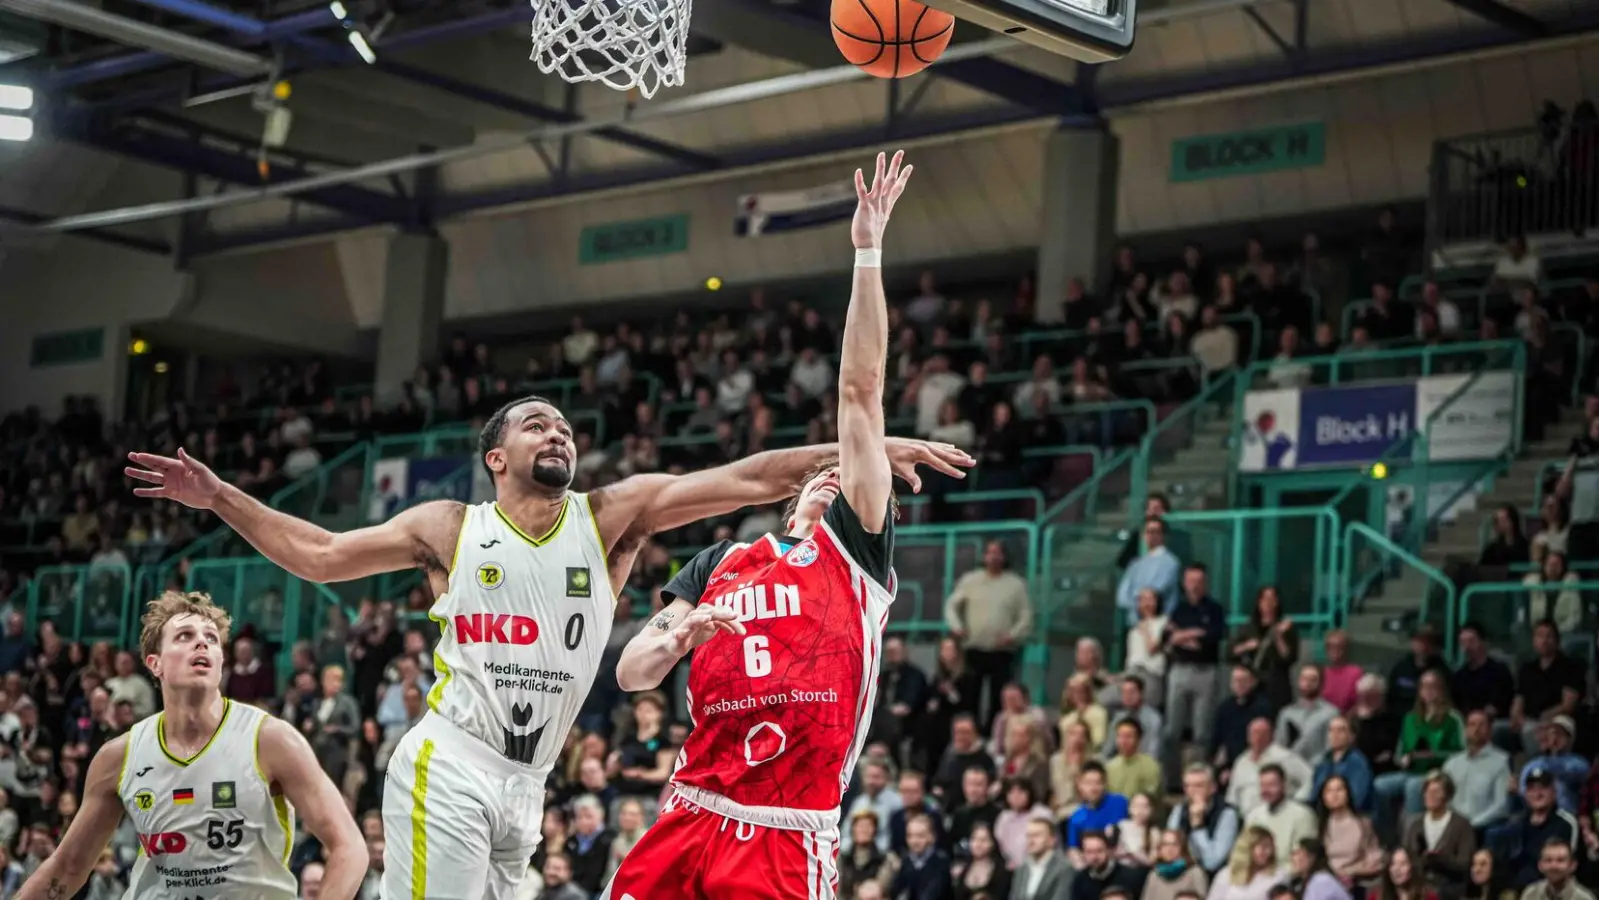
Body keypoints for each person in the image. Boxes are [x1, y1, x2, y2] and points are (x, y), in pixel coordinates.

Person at [127, 216, 967, 899]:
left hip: (530, 789)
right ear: (496, 457)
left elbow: (748, 476)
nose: (556, 430)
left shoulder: (610, 516)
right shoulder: (449, 526)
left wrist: (870, 447)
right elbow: (316, 552)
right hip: (450, 764)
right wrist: (221, 497)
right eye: (535, 424)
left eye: (562, 425)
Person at [602, 152, 961, 900]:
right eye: (823, 475)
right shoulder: (719, 562)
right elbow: (631, 673)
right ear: (796, 492)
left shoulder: (854, 551)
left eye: (849, 474)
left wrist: (867, 251)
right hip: (690, 809)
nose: (838, 479)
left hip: (783, 827)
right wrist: (680, 633)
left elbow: (860, 396)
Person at [16, 592, 365, 899]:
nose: (202, 644)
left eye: (211, 638)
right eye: (185, 636)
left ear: (221, 661)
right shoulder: (119, 756)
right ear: (155, 664)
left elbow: (349, 847)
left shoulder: (270, 739)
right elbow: (68, 868)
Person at [944, 540, 1032, 730]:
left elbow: (1026, 616)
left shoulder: (1016, 585)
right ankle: (970, 731)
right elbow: (952, 606)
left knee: (999, 697)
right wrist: (957, 626)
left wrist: (1012, 635)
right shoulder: (970, 581)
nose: (994, 557)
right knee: (970, 695)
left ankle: (994, 733)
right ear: (984, 556)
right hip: (973, 647)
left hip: (1003, 650)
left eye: (998, 552)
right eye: (990, 552)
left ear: (1005, 556)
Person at [1399, 772, 1475, 895]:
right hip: (1418, 889)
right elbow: (1405, 856)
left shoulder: (1461, 825)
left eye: (1436, 791)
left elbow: (1464, 864)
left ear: (1447, 795)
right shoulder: (1415, 825)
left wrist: (1440, 861)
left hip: (1449, 888)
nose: (1430, 795)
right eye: (1427, 791)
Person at [1167, 763, 1241, 876]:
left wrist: (1198, 826)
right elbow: (1169, 850)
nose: (1192, 791)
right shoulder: (1179, 810)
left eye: (1198, 786)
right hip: (1181, 871)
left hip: (1213, 877)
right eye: (1188, 786)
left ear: (1212, 788)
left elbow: (1212, 863)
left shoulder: (1227, 813)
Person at [1244, 765, 1319, 866]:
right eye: (1262, 785)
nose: (1265, 790)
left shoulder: (1303, 815)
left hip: (1288, 877)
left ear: (1284, 785)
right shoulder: (1253, 816)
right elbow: (1245, 852)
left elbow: (1303, 860)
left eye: (1271, 785)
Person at [1317, 775, 1384, 886]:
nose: (1334, 795)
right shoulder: (1320, 826)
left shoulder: (1363, 823)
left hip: (1358, 880)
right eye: (1329, 791)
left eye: (1339, 789)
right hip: (1329, 880)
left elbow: (1375, 860)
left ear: (1347, 793)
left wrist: (1351, 872)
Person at [1205, 826, 1285, 900]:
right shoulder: (1226, 874)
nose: (1268, 852)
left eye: (1270, 847)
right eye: (1263, 847)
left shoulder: (1278, 876)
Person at [1069, 830, 1148, 900]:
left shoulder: (1131, 877)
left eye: (1099, 851)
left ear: (1108, 851)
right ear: (1082, 854)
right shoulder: (1080, 880)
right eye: (1089, 852)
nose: (1094, 857)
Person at [1014, 815, 1074, 900]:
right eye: (1028, 836)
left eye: (1036, 835)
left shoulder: (1065, 868)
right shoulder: (1021, 868)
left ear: (1052, 840)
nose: (1030, 841)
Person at [1140, 829, 1210, 900]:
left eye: (1175, 844)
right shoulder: (1154, 875)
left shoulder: (1195, 873)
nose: (1169, 849)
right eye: (1165, 844)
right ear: (1160, 849)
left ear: (1182, 848)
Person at [951, 821, 1011, 900]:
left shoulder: (1001, 872)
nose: (978, 844)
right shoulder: (962, 870)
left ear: (992, 843)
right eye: (974, 839)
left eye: (983, 840)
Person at [1517, 840, 1595, 900]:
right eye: (1548, 860)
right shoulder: (1531, 894)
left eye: (1560, 860)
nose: (1554, 866)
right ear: (1540, 865)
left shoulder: (1584, 898)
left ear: (1572, 865)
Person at [1367, 847, 1437, 900]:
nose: (1397, 869)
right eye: (1392, 864)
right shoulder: (1376, 897)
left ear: (1412, 868)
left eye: (1402, 864)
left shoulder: (1428, 896)